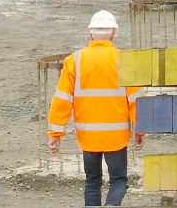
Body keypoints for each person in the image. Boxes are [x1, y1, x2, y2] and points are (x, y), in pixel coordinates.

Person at [47, 11, 145, 207]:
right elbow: (137, 100)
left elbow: (62, 99)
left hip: (88, 135)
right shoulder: (125, 60)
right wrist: (140, 129)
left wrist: (55, 133)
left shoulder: (74, 61)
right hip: (116, 136)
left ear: (90, 35)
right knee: (118, 180)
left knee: (92, 182)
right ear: (114, 34)